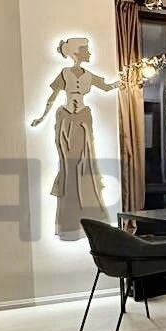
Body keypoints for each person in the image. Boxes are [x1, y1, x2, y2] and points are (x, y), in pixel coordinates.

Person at [30, 37, 116, 240]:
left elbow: (107, 87)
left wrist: (129, 79)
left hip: (83, 119)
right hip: (66, 120)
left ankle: (91, 220)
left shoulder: (89, 75)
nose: (90, 53)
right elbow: (52, 97)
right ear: (76, 53)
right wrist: (41, 117)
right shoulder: (64, 73)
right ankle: (69, 222)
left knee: (86, 164)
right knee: (69, 167)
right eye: (86, 50)